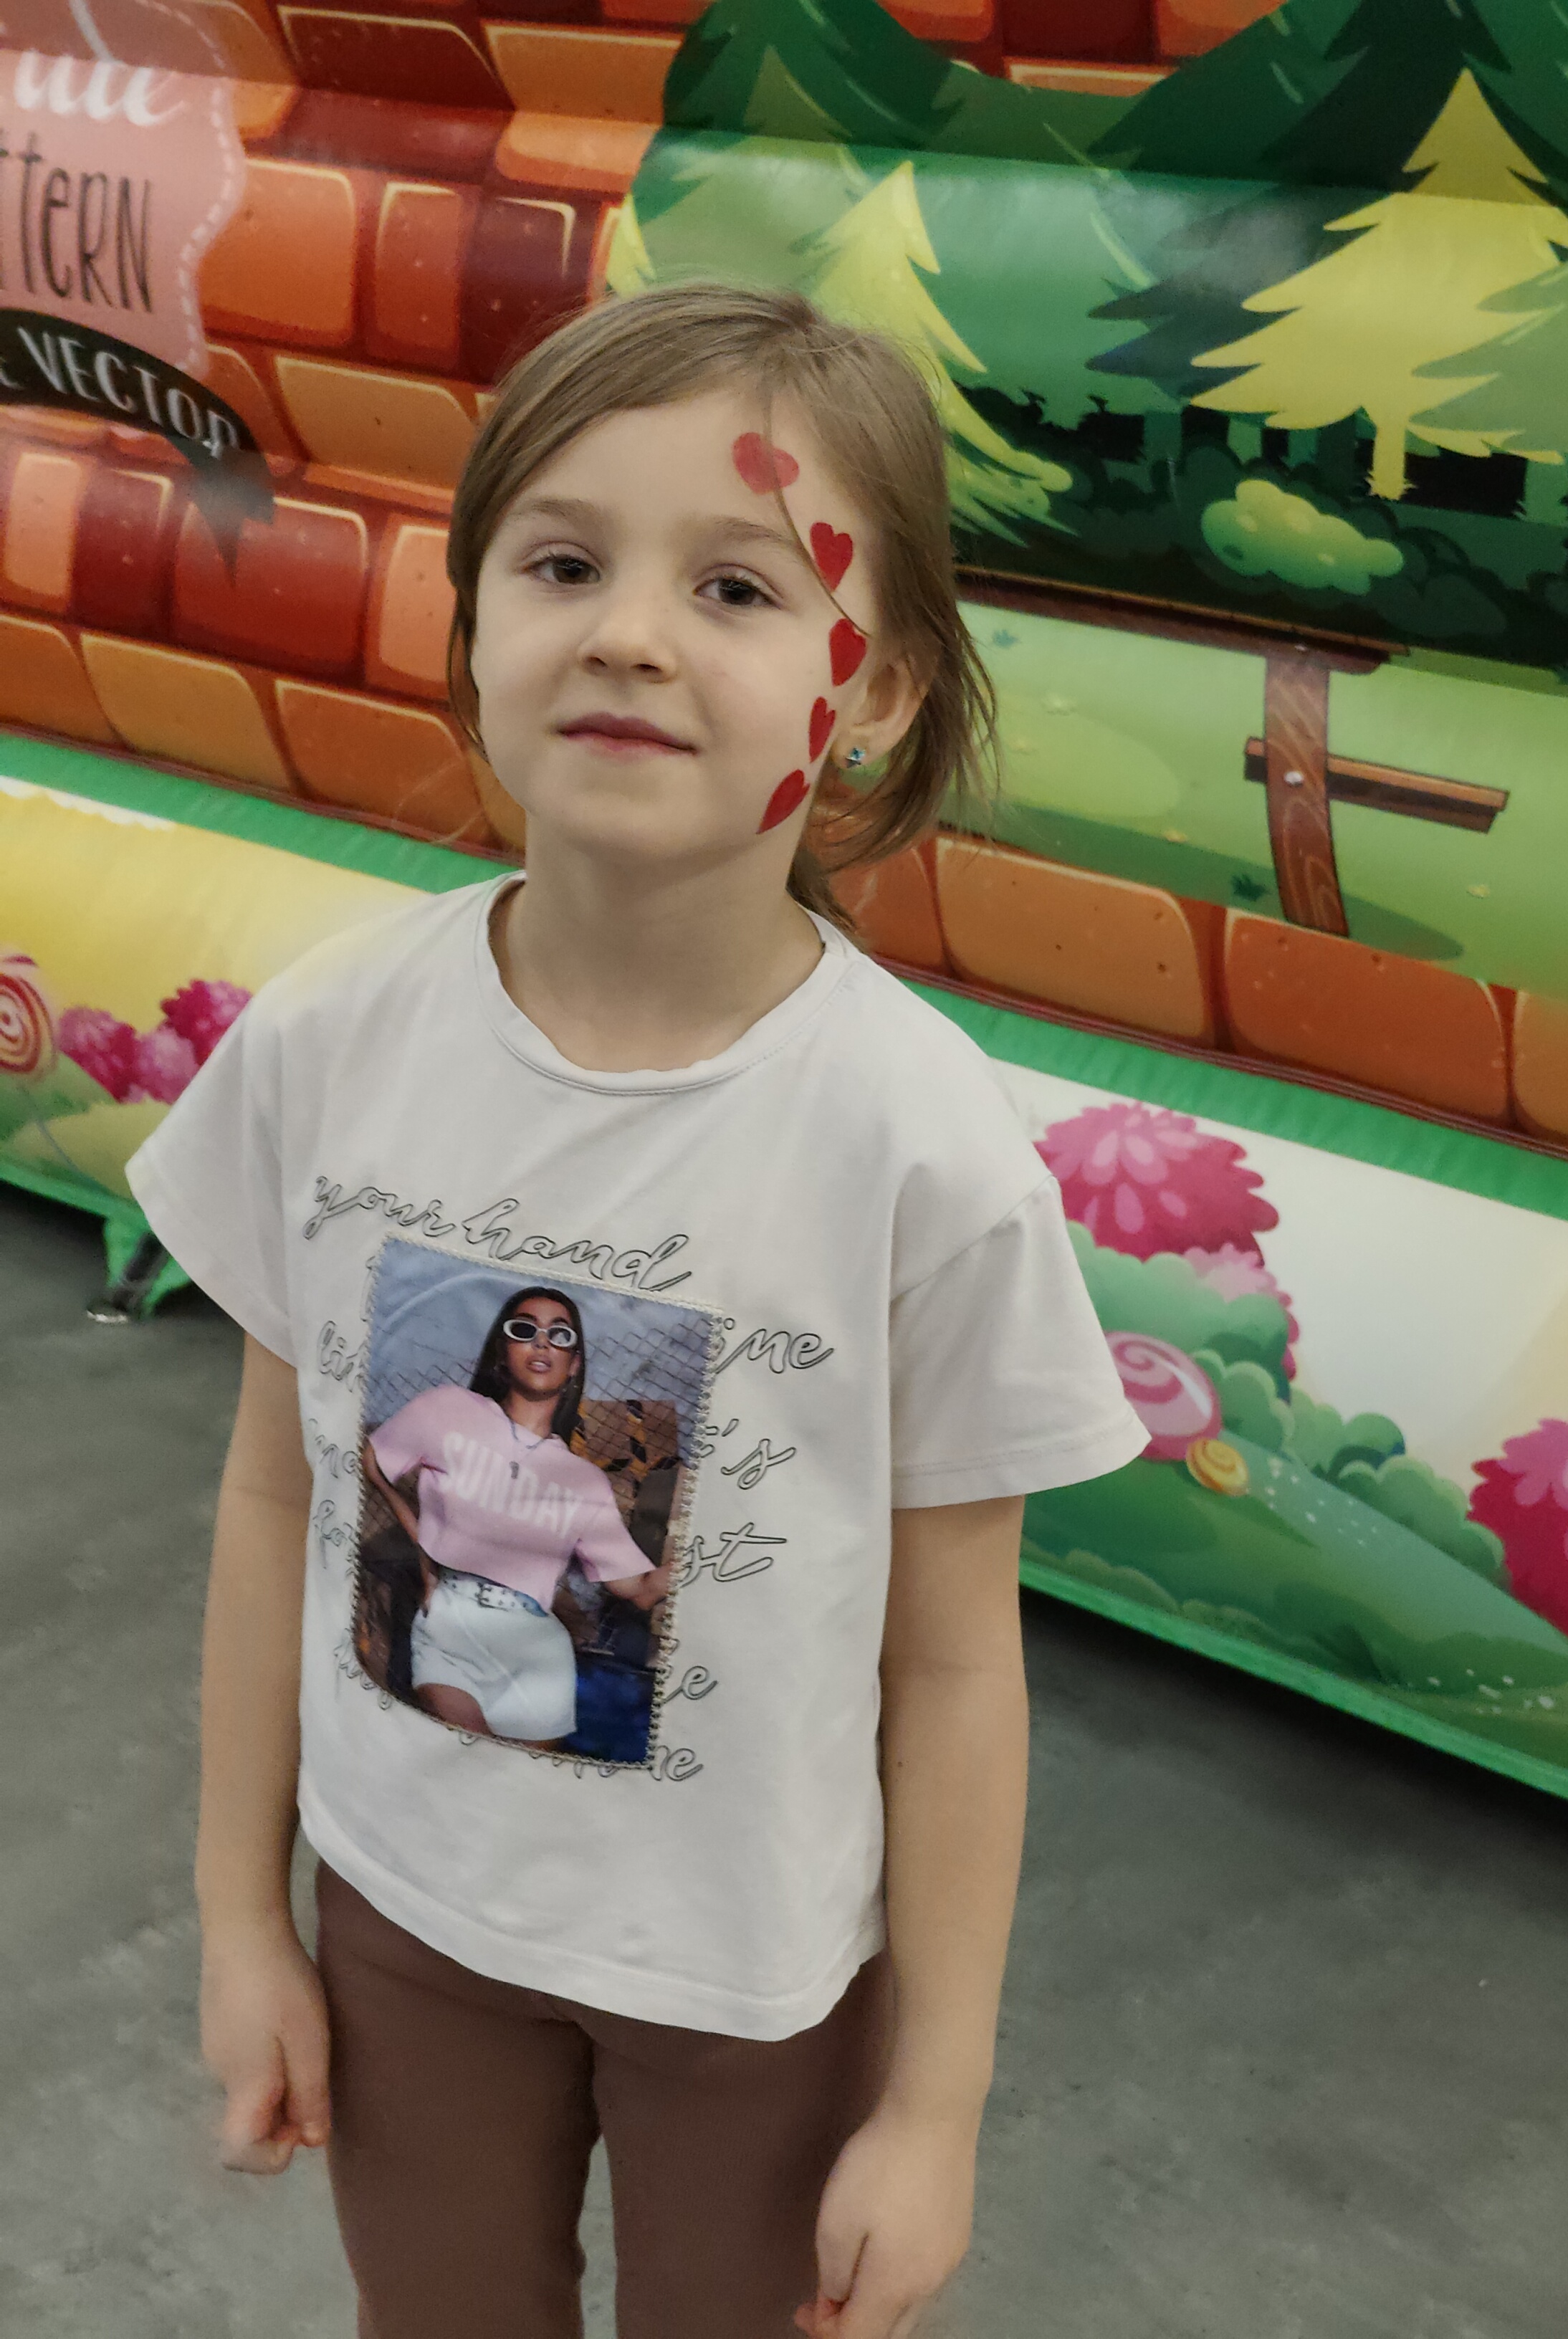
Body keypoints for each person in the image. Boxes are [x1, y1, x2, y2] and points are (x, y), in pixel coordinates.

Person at [128, 282, 1148, 2339]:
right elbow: (270, 1500)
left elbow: (957, 1664)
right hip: (403, 1919)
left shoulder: (916, 1149)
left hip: (754, 1985)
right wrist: (243, 1917)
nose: (628, 634)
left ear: (875, 688)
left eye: (738, 586)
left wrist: (932, 2104)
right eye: (563, 564)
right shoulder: (330, 1044)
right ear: (469, 625)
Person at [361, 1285, 666, 1748]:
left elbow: (637, 1590)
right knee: (461, 1759)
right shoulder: (447, 1409)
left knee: (520, 1786)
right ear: (503, 1353)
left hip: (537, 1650)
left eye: (560, 1335)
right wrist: (423, 1550)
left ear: (574, 1364)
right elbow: (372, 1462)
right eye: (525, 1330)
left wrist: (696, 1564)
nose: (542, 1343)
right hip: (451, 1625)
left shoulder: (585, 1482)